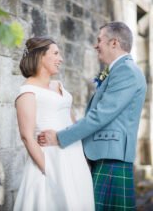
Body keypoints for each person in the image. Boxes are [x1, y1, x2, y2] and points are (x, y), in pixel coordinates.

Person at [38, 22, 147, 211]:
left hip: (112, 158)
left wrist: (59, 137)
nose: (96, 45)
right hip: (106, 155)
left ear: (114, 43)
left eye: (99, 40)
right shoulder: (120, 70)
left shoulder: (126, 72)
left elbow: (100, 116)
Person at [13, 37, 94, 211]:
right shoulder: (27, 92)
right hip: (51, 161)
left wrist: (82, 157)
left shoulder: (59, 85)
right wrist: (48, 169)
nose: (61, 59)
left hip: (74, 157)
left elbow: (72, 122)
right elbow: (27, 136)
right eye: (56, 53)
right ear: (41, 56)